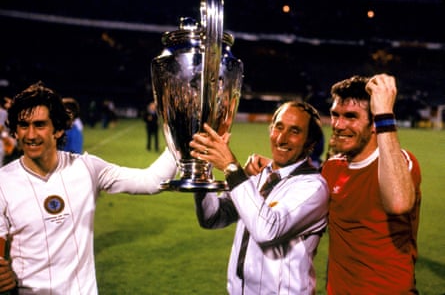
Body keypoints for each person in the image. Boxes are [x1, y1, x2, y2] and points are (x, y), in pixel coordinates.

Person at [0, 81, 178, 294]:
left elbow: (151, 181)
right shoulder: (4, 182)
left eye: (39, 125)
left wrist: (181, 139)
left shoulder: (87, 168)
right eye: (23, 125)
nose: (30, 135)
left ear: (57, 129)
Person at [190, 101, 329, 294]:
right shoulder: (257, 175)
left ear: (310, 144)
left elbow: (267, 230)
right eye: (278, 127)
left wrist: (232, 168)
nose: (281, 138)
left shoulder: (313, 188)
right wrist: (202, 169)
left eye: (294, 131)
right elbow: (213, 217)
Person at [322, 74, 422, 294]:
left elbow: (398, 203)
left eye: (350, 116)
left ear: (375, 123)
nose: (338, 125)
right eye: (335, 115)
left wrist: (385, 115)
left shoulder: (402, 162)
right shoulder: (331, 168)